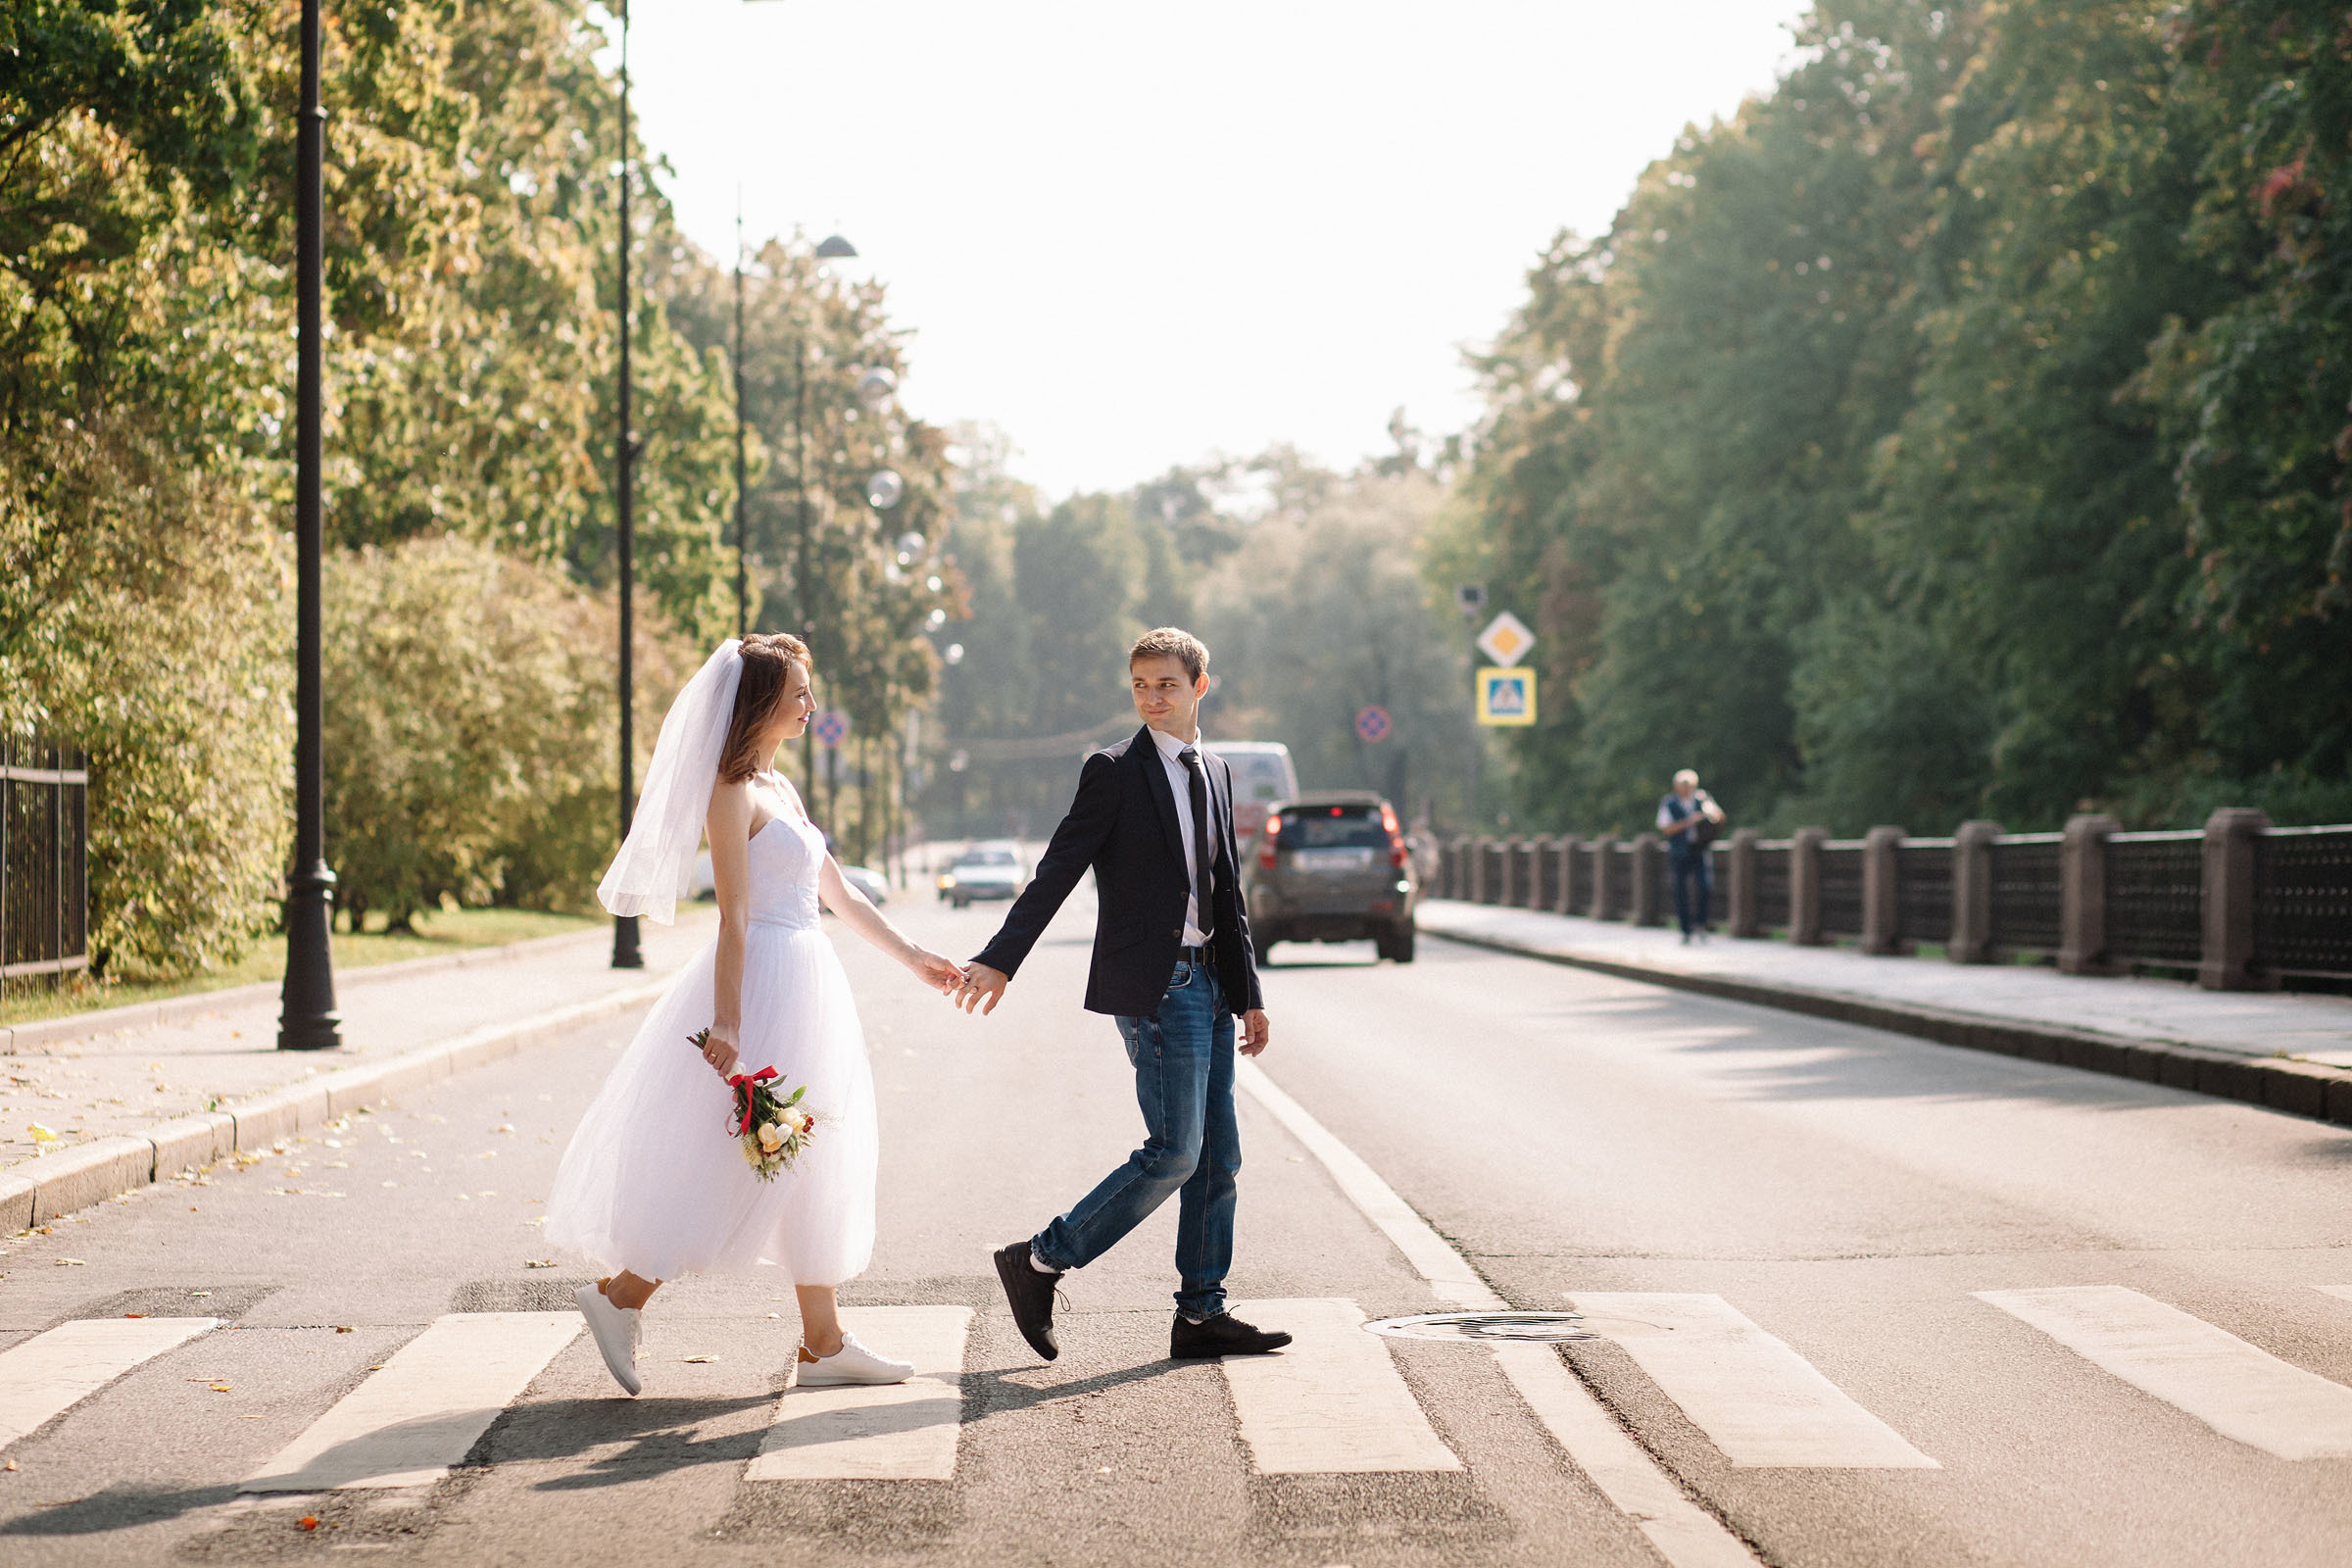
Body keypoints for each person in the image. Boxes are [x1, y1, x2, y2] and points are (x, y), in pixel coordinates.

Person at [544, 635, 965, 1396]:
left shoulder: (783, 787)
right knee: (738, 1156)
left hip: (811, 979)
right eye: (799, 692)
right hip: (765, 982)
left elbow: (840, 894)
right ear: (761, 703)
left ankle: (825, 1342)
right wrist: (730, 1023)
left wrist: (915, 957)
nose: (811, 703)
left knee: (805, 1154)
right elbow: (734, 919)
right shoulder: (729, 791)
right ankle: (620, 1297)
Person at [950, 627, 1290, 1364]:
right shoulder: (1111, 771)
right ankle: (1040, 1259)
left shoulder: (1218, 771)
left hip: (1211, 985)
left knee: (1218, 1157)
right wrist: (1001, 960)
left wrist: (1249, 993)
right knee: (1175, 1152)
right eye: (1139, 685)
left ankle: (1201, 1315)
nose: (1151, 698)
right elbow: (1058, 868)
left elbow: (1225, 895)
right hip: (1156, 986)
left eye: (1165, 684)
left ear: (1201, 686)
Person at [1656, 768, 1726, 944]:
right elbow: (1665, 829)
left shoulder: (1702, 799)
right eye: (1684, 786)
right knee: (1680, 890)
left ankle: (1701, 924)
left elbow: (1720, 817)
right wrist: (1689, 822)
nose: (1687, 789)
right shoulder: (1669, 803)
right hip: (1679, 852)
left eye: (1690, 786)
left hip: (1699, 850)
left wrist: (1711, 815)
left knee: (1705, 886)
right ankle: (1685, 929)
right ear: (1676, 786)